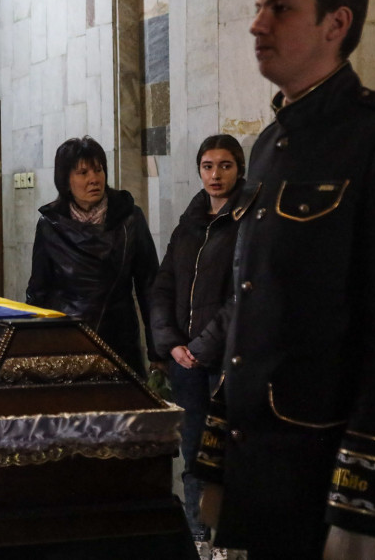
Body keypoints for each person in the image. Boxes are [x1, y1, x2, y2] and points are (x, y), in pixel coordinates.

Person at [192, 0, 375, 559]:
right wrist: (216, 461)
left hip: (330, 467)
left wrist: (358, 509)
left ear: (336, 24)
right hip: (265, 469)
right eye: (259, 8)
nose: (257, 25)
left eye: (280, 9)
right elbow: (252, 309)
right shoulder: (271, 145)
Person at [149, 134, 245, 556]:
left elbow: (242, 295)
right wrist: (171, 345)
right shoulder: (188, 224)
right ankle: (198, 540)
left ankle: (227, 541)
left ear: (239, 169)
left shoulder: (246, 221)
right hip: (185, 362)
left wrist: (202, 347)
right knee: (192, 454)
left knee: (225, 455)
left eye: (225, 165)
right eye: (208, 166)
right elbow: (162, 286)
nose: (215, 174)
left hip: (225, 361)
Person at [25, 136, 158, 374]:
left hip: (119, 338)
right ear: (65, 181)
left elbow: (149, 286)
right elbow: (39, 291)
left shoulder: (129, 218)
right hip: (68, 339)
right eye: (83, 173)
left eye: (98, 170)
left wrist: (158, 349)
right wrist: (33, 344)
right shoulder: (51, 224)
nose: (94, 179)